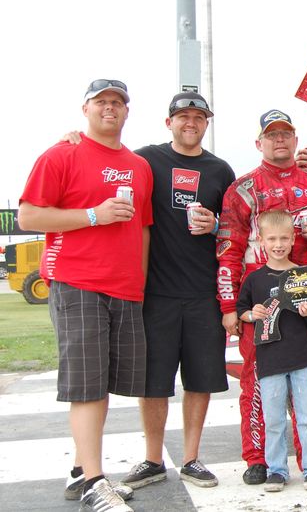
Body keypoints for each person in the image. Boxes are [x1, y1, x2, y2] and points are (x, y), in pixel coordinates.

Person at [18, 79, 153, 512]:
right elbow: (28, 216)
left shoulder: (138, 165)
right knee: (86, 385)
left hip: (124, 285)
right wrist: (94, 215)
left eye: (117, 102)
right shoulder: (62, 154)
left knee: (103, 382)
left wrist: (141, 281)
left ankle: (82, 471)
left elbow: (143, 229)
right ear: (86, 109)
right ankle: (96, 481)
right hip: (76, 280)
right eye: (101, 102)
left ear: (127, 111)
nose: (110, 108)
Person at [216, 109, 307, 484]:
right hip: (262, 302)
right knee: (257, 382)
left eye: (285, 133)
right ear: (260, 143)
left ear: (295, 139)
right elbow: (228, 250)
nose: (279, 140)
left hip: (306, 304)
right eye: (272, 135)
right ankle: (258, 459)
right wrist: (229, 307)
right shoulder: (243, 189)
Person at [115, 92, 235, 489]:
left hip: (203, 294)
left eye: (199, 117)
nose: (191, 122)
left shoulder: (220, 170)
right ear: (169, 122)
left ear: (206, 123)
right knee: (154, 382)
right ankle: (152, 459)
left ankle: (191, 458)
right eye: (183, 116)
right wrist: (73, 139)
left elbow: (236, 230)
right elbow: (109, 163)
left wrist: (215, 225)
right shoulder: (146, 158)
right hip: (155, 294)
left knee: (200, 380)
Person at [236, 210, 307, 492]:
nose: (278, 244)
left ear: (293, 240)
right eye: (272, 238)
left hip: (303, 357)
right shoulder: (254, 280)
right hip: (270, 359)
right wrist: (252, 314)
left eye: (284, 238)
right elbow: (241, 310)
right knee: (272, 418)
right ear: (261, 241)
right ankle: (276, 470)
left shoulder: (305, 275)